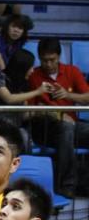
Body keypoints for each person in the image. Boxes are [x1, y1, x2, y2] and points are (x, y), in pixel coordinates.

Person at [28, 38, 89, 198]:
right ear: (39, 58)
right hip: (45, 128)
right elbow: (30, 111)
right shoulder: (34, 76)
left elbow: (87, 97)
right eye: (44, 60)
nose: (48, 64)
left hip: (73, 124)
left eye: (52, 60)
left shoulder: (72, 71)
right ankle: (66, 186)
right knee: (66, 128)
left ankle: (85, 184)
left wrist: (68, 95)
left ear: (59, 56)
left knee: (73, 129)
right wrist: (58, 115)